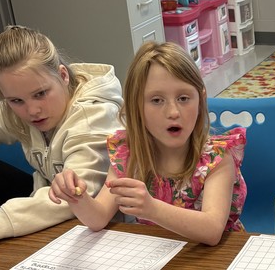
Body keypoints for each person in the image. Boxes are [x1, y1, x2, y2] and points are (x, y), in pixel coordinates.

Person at [50, 40, 246, 245]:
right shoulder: (128, 155)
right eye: (157, 100)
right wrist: (76, 197)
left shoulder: (216, 158)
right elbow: (98, 218)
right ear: (137, 107)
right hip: (157, 255)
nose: (173, 112)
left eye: (184, 98)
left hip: (217, 259)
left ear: (201, 99)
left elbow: (212, 230)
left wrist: (152, 209)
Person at [0, 25, 122, 248]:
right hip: (43, 207)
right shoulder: (16, 111)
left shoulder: (92, 118)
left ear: (62, 75)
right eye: (15, 100)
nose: (32, 111)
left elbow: (72, 198)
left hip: (98, 231)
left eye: (40, 94)